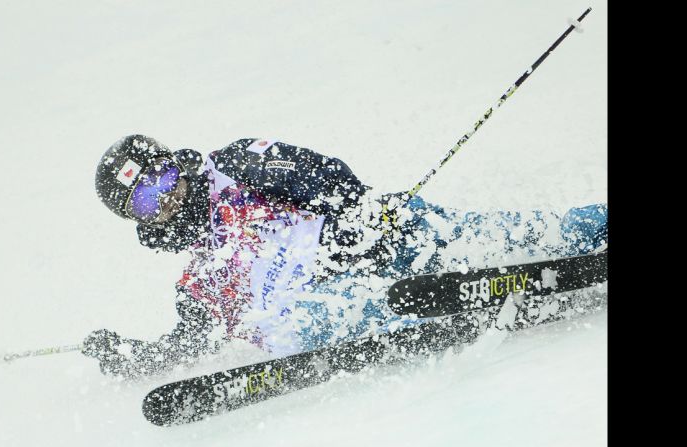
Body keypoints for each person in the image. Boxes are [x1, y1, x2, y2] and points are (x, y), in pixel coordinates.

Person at [82, 135, 607, 379]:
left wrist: (352, 223)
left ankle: (588, 227)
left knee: (511, 236)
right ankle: (440, 307)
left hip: (378, 239)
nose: (167, 196)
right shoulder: (199, 279)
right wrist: (134, 357)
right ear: (140, 221)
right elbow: (186, 342)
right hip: (346, 300)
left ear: (177, 163)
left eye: (165, 177)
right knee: (317, 316)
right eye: (148, 199)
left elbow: (326, 175)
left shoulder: (237, 166)